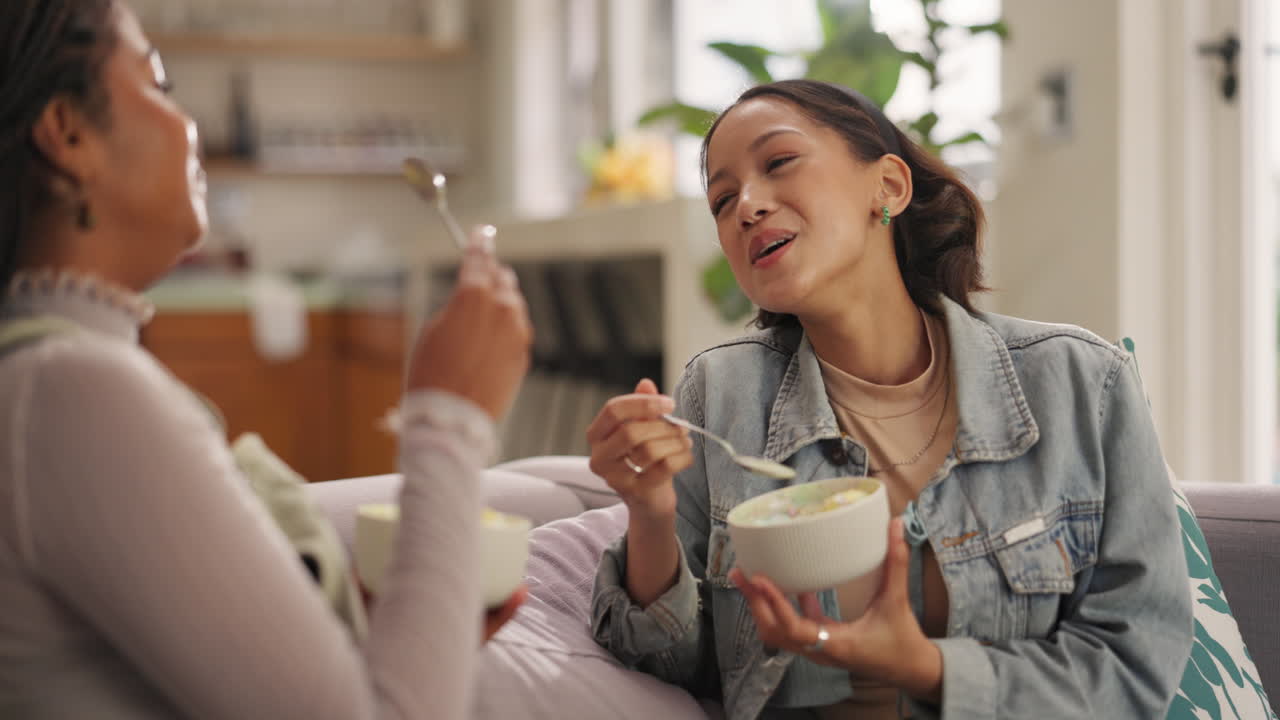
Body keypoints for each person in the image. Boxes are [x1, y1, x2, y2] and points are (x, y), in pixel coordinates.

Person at [587, 79, 1192, 720]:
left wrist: (928, 670)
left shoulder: (1081, 383)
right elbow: (676, 666)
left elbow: (1135, 666)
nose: (748, 206)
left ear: (890, 187)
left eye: (779, 163)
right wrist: (649, 515)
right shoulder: (720, 396)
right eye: (723, 199)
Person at [0, 1, 532, 718]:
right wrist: (451, 415)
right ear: (67, 132)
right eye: (158, 84)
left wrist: (412, 623)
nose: (188, 127)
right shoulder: (69, 392)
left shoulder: (53, 375)